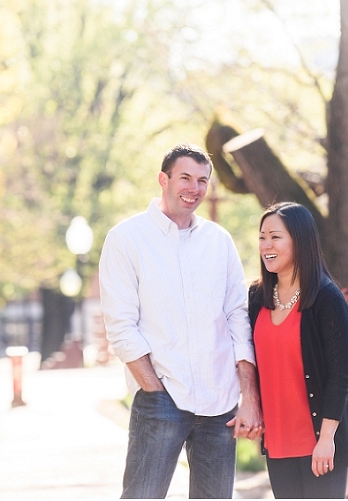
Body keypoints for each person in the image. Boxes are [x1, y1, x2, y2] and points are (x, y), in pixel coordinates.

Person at [99, 143, 262, 499]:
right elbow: (121, 326)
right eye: (185, 177)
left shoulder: (219, 242)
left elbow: (238, 318)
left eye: (202, 180)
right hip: (162, 395)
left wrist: (248, 395)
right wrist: (154, 389)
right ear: (163, 179)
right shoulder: (127, 239)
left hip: (220, 402)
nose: (194, 188)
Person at [248, 202, 348, 499]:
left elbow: (340, 376)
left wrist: (326, 439)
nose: (266, 245)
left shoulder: (326, 299)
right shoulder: (257, 297)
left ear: (300, 240)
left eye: (275, 237)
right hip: (278, 442)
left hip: (319, 443)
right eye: (262, 237)